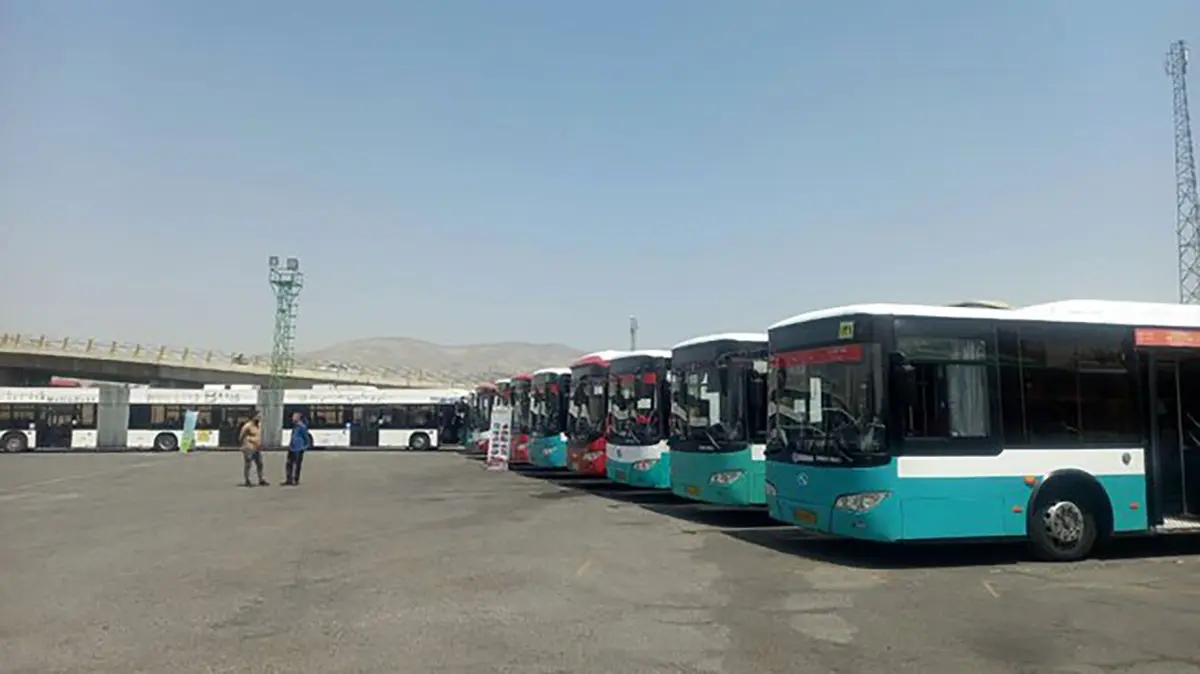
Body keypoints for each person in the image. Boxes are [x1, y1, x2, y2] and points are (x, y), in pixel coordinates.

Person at [239, 413, 269, 487]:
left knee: (260, 464)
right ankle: (247, 480)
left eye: (260, 416)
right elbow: (241, 436)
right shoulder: (247, 426)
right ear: (253, 417)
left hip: (257, 448)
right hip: (249, 447)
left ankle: (261, 479)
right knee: (248, 464)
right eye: (257, 416)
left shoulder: (259, 425)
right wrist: (244, 446)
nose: (259, 418)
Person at [284, 411, 312, 486]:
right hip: (291, 448)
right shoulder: (295, 426)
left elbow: (306, 438)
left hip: (298, 449)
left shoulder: (302, 427)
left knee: (297, 465)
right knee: (289, 464)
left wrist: (304, 447)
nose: (292, 418)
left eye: (294, 417)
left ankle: (295, 479)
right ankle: (289, 479)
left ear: (298, 418)